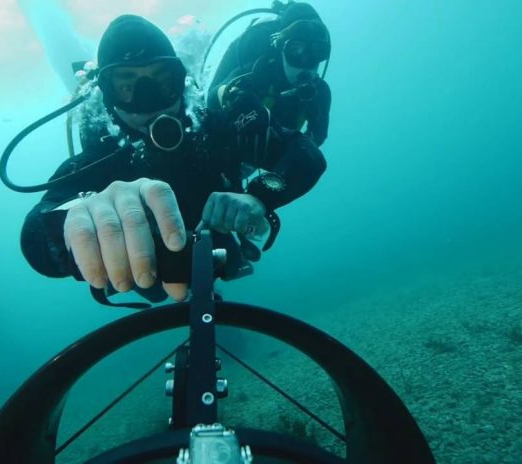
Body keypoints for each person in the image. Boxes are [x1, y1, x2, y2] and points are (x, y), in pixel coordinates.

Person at [21, 14, 326, 303]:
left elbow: (306, 154)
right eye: (127, 86)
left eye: (163, 80)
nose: (148, 99)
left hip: (212, 244)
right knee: (151, 287)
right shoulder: (103, 155)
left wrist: (258, 197)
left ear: (181, 82)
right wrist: (76, 216)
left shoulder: (215, 128)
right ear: (108, 95)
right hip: (150, 267)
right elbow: (36, 236)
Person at [208, 1, 332, 147]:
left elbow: (318, 136)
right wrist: (235, 96)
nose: (305, 60)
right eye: (295, 49)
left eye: (317, 52)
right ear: (281, 48)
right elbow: (213, 96)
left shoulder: (320, 93)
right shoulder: (260, 71)